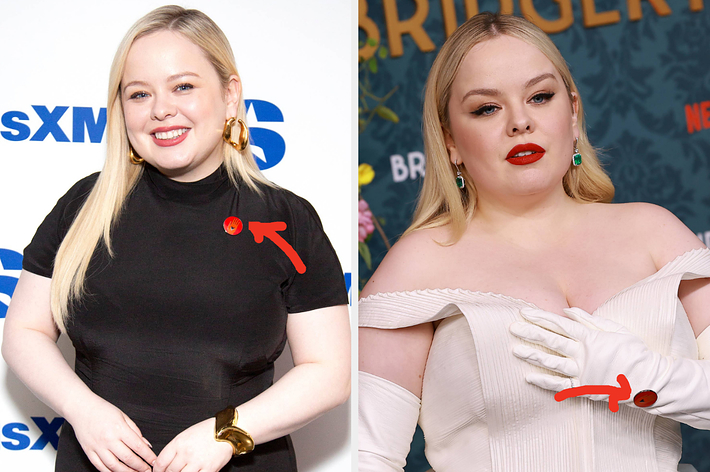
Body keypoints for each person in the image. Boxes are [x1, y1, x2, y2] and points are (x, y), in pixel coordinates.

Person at [2, 6, 350, 472]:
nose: (161, 109)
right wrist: (83, 411)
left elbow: (329, 372)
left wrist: (226, 434)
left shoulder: (287, 220)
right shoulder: (83, 207)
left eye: (183, 86)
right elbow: (24, 332)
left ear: (230, 95)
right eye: (139, 93)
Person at [358, 12, 710, 472]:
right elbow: (367, 458)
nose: (520, 122)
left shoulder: (654, 231)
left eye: (540, 96)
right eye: (487, 108)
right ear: (450, 142)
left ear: (573, 111)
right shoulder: (418, 265)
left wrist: (639, 377)